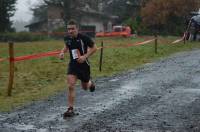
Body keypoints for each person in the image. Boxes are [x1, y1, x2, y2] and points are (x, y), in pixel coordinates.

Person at [59, 19, 97, 118]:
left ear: (77, 28)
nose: (70, 31)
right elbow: (66, 46)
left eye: (72, 29)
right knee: (71, 86)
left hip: (84, 66)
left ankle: (90, 83)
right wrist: (62, 52)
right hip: (73, 65)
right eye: (69, 29)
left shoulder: (84, 38)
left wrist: (85, 57)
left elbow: (94, 48)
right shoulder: (67, 38)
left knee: (85, 87)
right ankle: (70, 109)